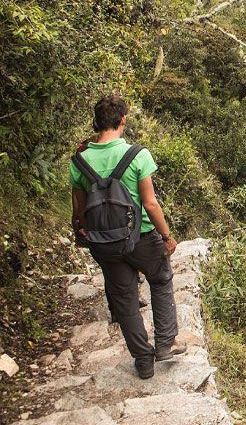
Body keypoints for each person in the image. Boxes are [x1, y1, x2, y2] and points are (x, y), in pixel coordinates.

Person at [70, 94, 186, 379]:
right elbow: (150, 204)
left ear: (96, 122)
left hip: (104, 242)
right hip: (143, 236)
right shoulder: (138, 155)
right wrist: (167, 236)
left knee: (124, 299)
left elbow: (78, 209)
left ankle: (143, 361)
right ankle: (164, 345)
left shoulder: (79, 160)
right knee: (160, 280)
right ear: (123, 120)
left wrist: (84, 234)